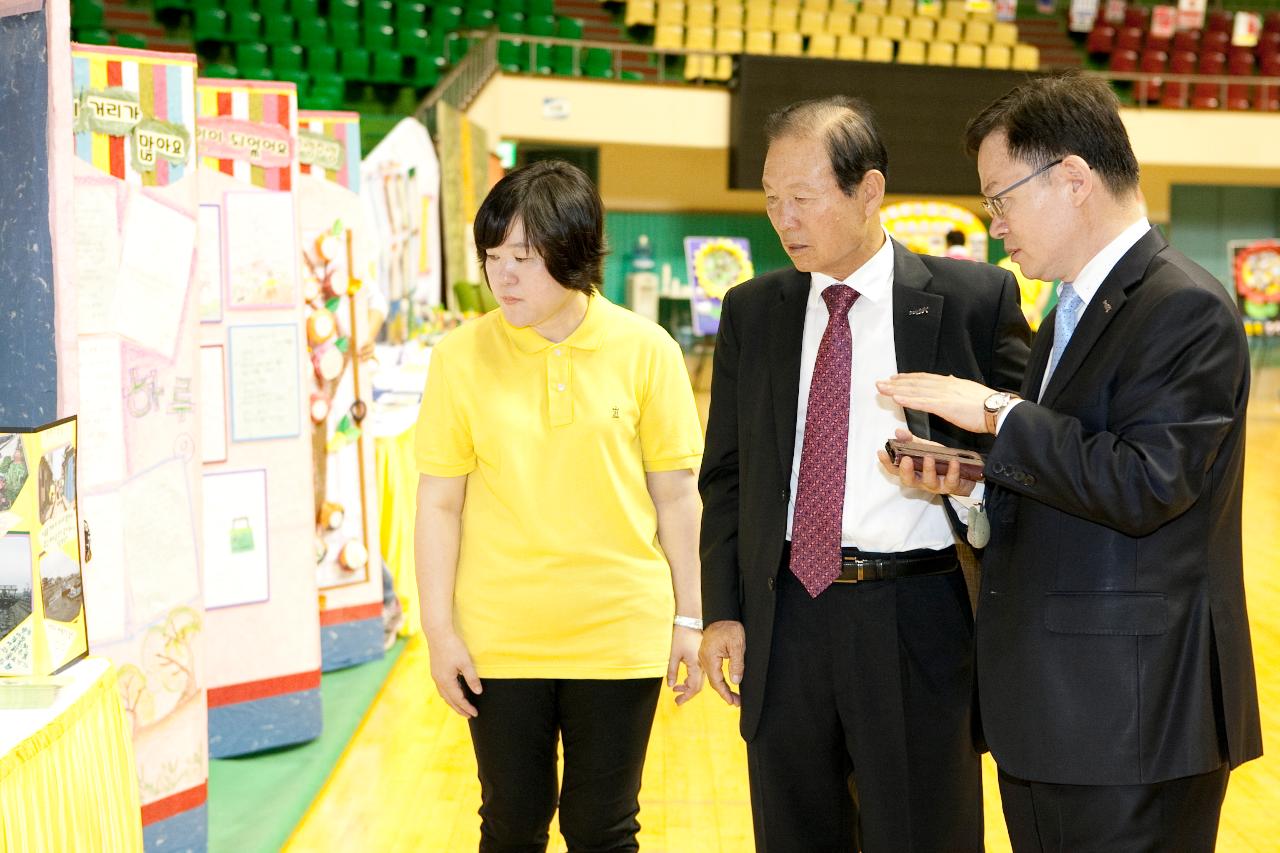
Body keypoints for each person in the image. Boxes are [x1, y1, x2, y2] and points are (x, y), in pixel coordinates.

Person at [877, 72, 1262, 852]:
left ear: (1073, 178)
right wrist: (975, 488)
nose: (995, 225)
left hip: (1133, 721)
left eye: (1002, 199)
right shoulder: (1067, 313)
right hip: (1057, 715)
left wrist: (992, 410)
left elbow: (1145, 483)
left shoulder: (1182, 305)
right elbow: (1061, 472)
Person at [697, 95, 1030, 852]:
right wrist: (723, 609)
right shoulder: (754, 310)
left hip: (915, 612)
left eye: (803, 199)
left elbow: (1031, 453)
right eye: (773, 201)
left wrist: (967, 476)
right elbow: (726, 476)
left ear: (869, 190)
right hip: (785, 619)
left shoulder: (972, 302)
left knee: (923, 833)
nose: (784, 219)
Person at [413, 159, 705, 852]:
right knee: (511, 825)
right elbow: (439, 504)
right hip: (498, 637)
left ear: (572, 253)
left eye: (523, 256)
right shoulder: (460, 357)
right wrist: (438, 631)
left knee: (602, 827)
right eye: (492, 256)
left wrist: (689, 617)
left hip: (618, 630)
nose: (502, 275)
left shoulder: (646, 351)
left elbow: (676, 496)